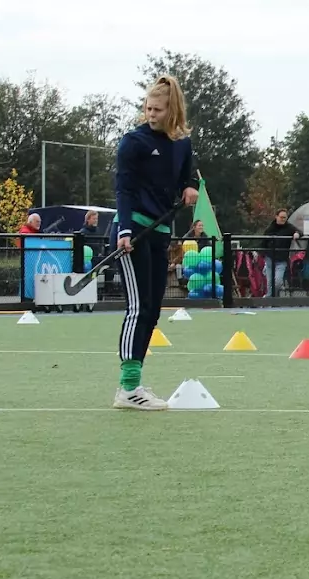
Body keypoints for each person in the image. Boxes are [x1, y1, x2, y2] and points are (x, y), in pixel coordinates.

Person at [111, 74, 198, 410]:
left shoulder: (182, 143)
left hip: (160, 233)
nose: (151, 114)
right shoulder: (133, 142)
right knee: (137, 308)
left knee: (151, 310)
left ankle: (134, 384)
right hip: (132, 232)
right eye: (148, 108)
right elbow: (124, 190)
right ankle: (127, 388)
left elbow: (186, 177)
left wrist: (189, 188)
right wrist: (124, 230)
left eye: (158, 109)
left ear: (172, 110)